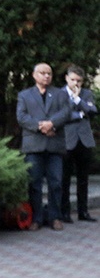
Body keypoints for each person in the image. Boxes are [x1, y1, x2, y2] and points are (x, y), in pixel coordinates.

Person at [16, 63, 70, 231]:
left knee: (56, 183)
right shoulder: (25, 95)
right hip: (34, 146)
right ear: (34, 75)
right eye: (43, 73)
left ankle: (55, 217)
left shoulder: (60, 94)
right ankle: (36, 218)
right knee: (34, 184)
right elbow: (22, 117)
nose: (46, 76)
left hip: (54, 146)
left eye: (49, 74)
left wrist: (51, 124)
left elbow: (66, 112)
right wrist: (41, 126)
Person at [60, 65, 97, 223]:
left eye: (79, 81)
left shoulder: (87, 94)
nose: (76, 83)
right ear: (67, 78)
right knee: (65, 179)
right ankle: (65, 212)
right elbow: (62, 115)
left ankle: (83, 211)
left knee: (83, 178)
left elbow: (93, 111)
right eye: (73, 79)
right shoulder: (58, 94)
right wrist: (80, 114)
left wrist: (77, 99)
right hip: (66, 140)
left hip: (84, 140)